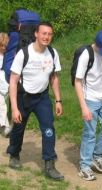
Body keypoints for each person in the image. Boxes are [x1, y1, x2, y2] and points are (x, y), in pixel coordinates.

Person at [6, 22, 64, 181]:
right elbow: (13, 81)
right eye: (43, 33)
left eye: (49, 34)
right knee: (18, 128)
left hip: (42, 98)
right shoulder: (24, 54)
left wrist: (58, 100)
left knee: (48, 128)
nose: (46, 37)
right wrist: (15, 108)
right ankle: (14, 154)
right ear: (36, 34)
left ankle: (49, 163)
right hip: (23, 97)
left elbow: (54, 77)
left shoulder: (52, 53)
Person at [74, 30, 102, 181]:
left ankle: (97, 155)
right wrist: (84, 107)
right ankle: (84, 166)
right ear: (96, 45)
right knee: (90, 133)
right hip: (90, 98)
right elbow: (78, 81)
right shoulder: (86, 55)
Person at [0, 32, 11, 137]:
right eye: (1, 45)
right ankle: (5, 128)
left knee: (4, 106)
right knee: (2, 106)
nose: (3, 47)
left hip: (6, 85)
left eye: (5, 45)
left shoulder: (8, 57)